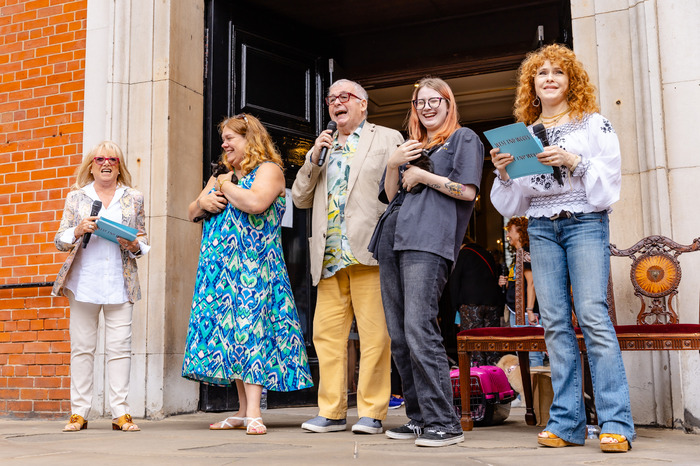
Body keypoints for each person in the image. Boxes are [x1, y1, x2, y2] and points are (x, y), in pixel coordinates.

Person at [490, 44, 635, 453]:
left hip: (584, 222)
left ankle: (617, 424)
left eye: (558, 72)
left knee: (592, 316)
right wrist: (503, 173)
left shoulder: (592, 124)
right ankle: (567, 423)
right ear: (532, 85)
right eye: (542, 73)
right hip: (540, 227)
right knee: (553, 322)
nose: (549, 77)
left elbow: (609, 186)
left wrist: (574, 159)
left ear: (572, 81)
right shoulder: (524, 133)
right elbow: (515, 201)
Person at [370, 76, 484, 447]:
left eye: (436, 100)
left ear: (449, 104)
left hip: (428, 241)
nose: (427, 106)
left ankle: (445, 423)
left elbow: (466, 191)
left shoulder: (464, 138)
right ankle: (419, 417)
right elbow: (391, 195)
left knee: (420, 329)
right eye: (421, 102)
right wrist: (394, 164)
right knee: (400, 336)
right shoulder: (412, 147)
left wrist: (424, 175)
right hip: (391, 240)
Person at [182, 114, 313, 435]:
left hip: (254, 269)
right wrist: (205, 200)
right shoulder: (224, 176)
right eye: (223, 139)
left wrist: (225, 185)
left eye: (231, 138)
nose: (224, 144)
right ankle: (241, 410)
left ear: (249, 138)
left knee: (251, 332)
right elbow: (191, 211)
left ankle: (255, 410)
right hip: (220, 273)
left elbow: (255, 203)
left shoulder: (269, 170)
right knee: (231, 337)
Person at [292, 79, 403, 435]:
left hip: (369, 250)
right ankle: (332, 411)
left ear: (363, 105)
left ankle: (372, 412)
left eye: (345, 97)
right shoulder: (321, 147)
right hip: (328, 255)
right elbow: (299, 198)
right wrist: (312, 159)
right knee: (326, 336)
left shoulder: (386, 138)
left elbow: (401, 192)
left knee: (375, 336)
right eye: (331, 99)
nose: (337, 103)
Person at [53, 141, 150, 432]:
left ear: (119, 165)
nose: (106, 163)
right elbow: (59, 240)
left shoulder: (133, 197)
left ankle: (120, 413)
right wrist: (78, 229)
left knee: (120, 349)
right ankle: (78, 413)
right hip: (85, 282)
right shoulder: (76, 197)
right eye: (100, 159)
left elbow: (143, 238)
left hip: (120, 283)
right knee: (82, 349)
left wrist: (135, 244)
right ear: (91, 165)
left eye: (112, 159)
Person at [498, 216, 545, 367]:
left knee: (532, 354)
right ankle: (526, 390)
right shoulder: (518, 255)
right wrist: (505, 282)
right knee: (522, 354)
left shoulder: (526, 253)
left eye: (510, 231)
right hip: (515, 311)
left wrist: (530, 310)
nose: (507, 235)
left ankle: (535, 390)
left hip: (525, 312)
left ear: (520, 232)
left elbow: (531, 282)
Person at [448, 239, 503, 366]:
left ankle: (478, 379)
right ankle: (494, 377)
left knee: (474, 345)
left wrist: (455, 309)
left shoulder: (462, 254)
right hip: (492, 303)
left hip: (471, 305)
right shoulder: (487, 254)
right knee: (491, 343)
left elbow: (454, 282)